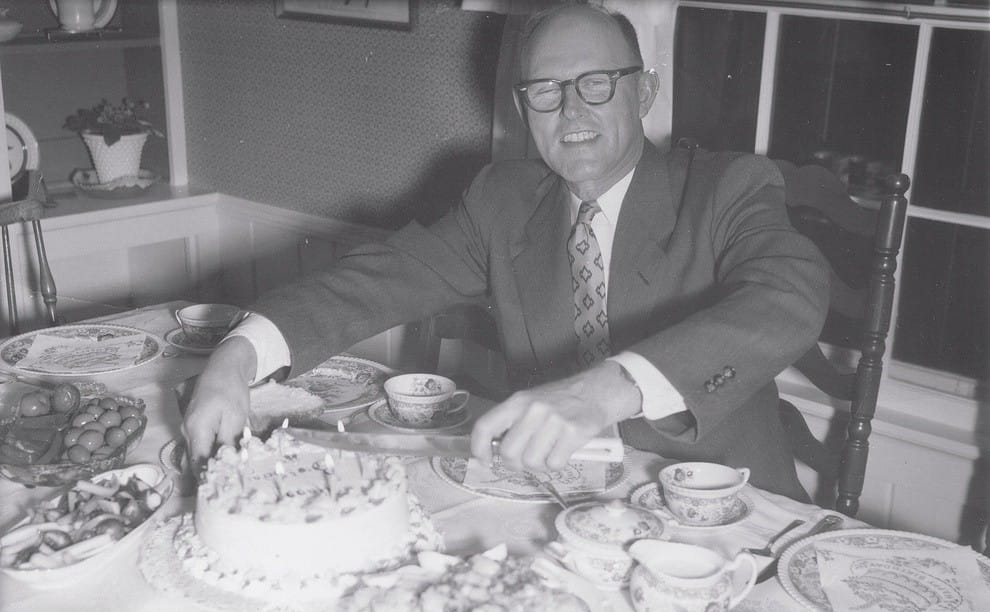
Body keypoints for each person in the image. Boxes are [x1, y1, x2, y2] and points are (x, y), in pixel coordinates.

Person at [183, 3, 828, 502]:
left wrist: (610, 390)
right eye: (546, 90)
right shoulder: (504, 202)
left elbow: (789, 297)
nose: (570, 109)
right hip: (558, 501)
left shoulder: (725, 188)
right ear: (524, 110)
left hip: (720, 510)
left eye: (596, 83)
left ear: (644, 92)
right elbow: (379, 281)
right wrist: (237, 357)